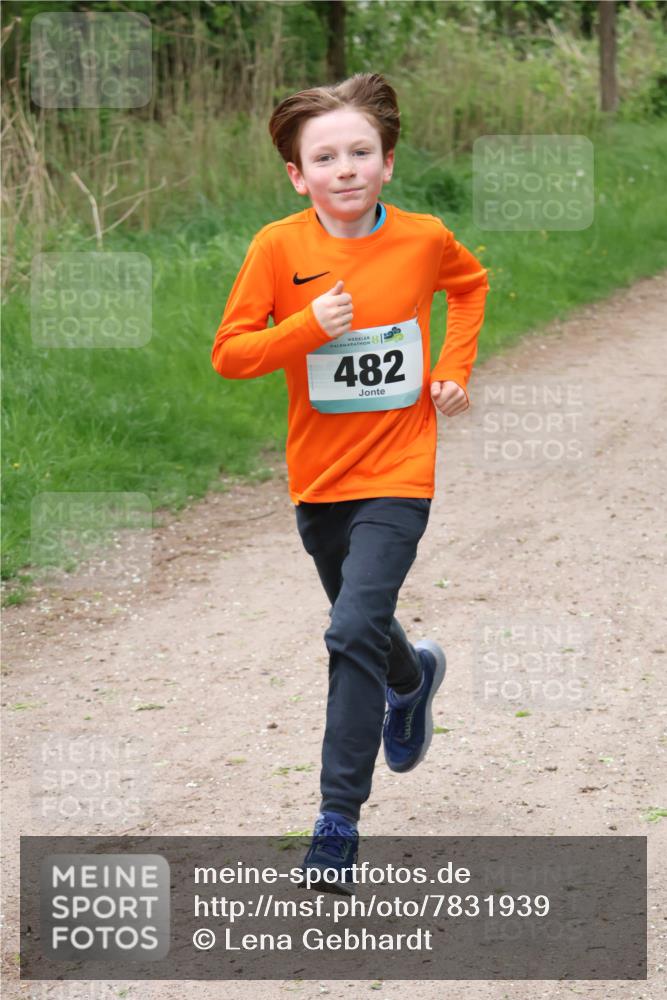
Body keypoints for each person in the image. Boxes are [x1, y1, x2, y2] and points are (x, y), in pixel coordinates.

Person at [211, 72, 489, 895]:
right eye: (324, 156)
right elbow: (230, 354)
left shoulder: (423, 237)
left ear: (387, 163)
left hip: (400, 469)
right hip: (318, 478)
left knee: (347, 631)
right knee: (360, 623)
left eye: (360, 152)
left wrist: (452, 366)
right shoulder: (277, 248)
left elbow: (467, 287)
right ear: (298, 174)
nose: (344, 168)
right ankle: (411, 680)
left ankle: (336, 823)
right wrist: (304, 327)